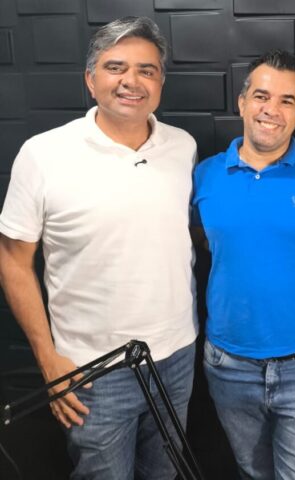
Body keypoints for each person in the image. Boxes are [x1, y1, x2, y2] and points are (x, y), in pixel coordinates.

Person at [0, 16, 197, 480]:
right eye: (115, 67)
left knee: (165, 474)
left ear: (161, 82)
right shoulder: (43, 154)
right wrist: (48, 360)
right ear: (91, 80)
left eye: (147, 70)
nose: (132, 81)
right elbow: (13, 262)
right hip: (90, 371)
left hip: (177, 356)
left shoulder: (183, 147)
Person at [191, 49, 295, 480]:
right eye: (262, 96)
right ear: (242, 102)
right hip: (228, 366)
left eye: (287, 100)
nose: (272, 110)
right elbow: (196, 239)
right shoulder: (205, 175)